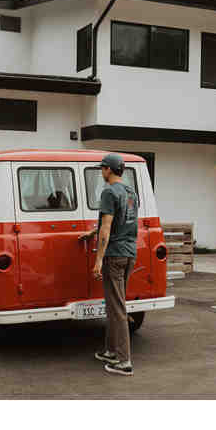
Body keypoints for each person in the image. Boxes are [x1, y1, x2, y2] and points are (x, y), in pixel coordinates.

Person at [79, 153, 138, 376]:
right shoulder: (130, 192)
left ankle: (124, 361)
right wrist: (92, 232)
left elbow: (107, 228)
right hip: (129, 254)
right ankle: (111, 351)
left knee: (117, 308)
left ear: (109, 170)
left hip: (114, 256)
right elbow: (121, 222)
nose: (101, 172)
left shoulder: (108, 192)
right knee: (114, 305)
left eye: (102, 168)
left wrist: (98, 260)